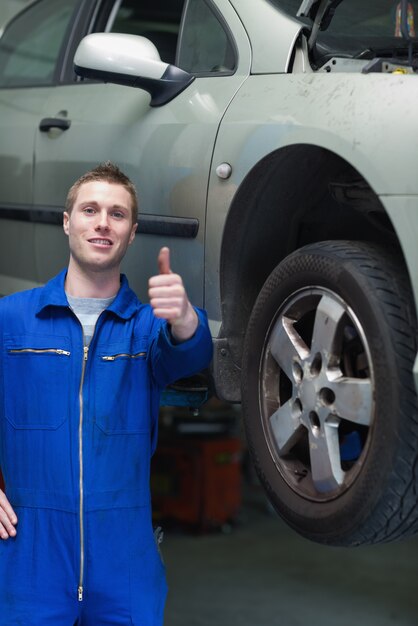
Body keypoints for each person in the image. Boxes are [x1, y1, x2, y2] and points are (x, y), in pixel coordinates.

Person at [0, 162, 213, 625]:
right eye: (90, 209)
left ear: (132, 232)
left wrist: (184, 317)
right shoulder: (11, 320)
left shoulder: (146, 329)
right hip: (26, 562)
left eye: (117, 214)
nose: (102, 222)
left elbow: (189, 354)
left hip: (125, 566)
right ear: (66, 221)